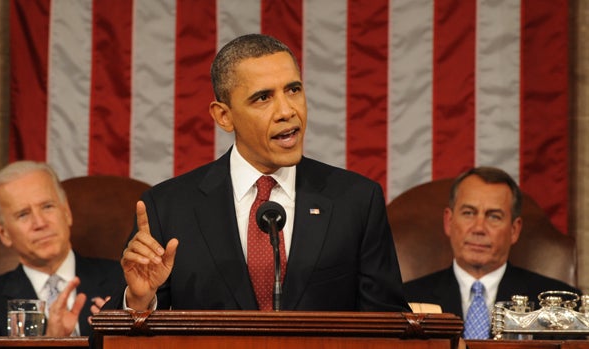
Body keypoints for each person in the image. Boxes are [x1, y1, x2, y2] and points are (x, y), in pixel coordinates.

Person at [107, 33, 409, 313]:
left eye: (293, 90)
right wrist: (140, 300)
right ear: (224, 116)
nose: (286, 110)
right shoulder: (168, 208)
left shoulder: (355, 201)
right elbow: (106, 337)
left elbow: (390, 325)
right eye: (263, 98)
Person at [403, 166, 580, 338]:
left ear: (514, 230)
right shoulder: (405, 301)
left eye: (494, 216)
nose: (479, 228)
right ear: (449, 222)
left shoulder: (562, 307)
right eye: (468, 213)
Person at [0, 161, 124, 336]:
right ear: (3, 233)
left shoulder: (123, 282)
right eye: (23, 214)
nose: (40, 223)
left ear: (66, 212)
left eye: (47, 207)